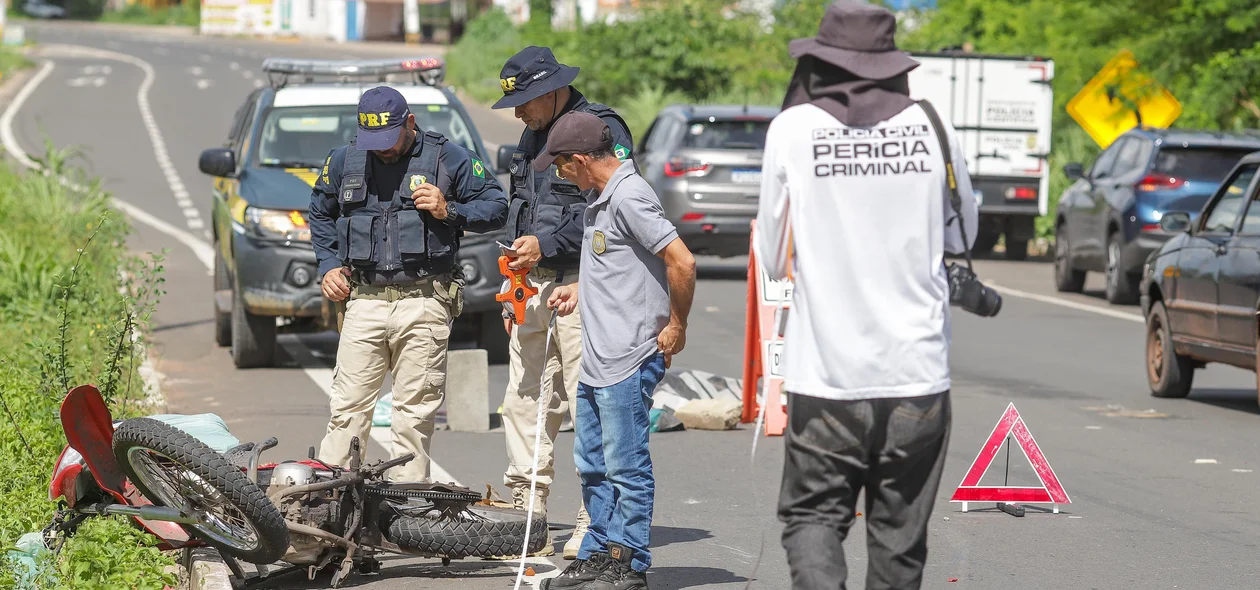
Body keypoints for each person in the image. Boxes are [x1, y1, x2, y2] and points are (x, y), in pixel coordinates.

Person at [753, 2, 979, 589]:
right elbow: (964, 232)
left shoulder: (794, 129)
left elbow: (773, 255)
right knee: (899, 542)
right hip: (919, 378)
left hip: (827, 375)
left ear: (820, 64)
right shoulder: (934, 125)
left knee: (812, 519)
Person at [308, 86, 508, 482]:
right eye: (373, 141)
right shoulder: (344, 160)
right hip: (363, 299)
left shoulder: (448, 158)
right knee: (347, 410)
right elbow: (320, 212)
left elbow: (496, 208)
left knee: (412, 417)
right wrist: (329, 265)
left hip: (425, 300)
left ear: (410, 123)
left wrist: (449, 209)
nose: (381, 150)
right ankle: (330, 506)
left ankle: (406, 510)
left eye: (389, 140)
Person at [489, 45, 636, 559]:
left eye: (526, 100)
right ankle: (528, 515)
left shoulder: (601, 130)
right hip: (531, 289)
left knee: (586, 405)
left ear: (552, 91)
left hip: (583, 285)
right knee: (525, 402)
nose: (518, 112)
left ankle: (591, 520)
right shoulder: (530, 138)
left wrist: (547, 246)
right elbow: (520, 211)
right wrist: (511, 280)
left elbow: (613, 209)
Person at [540, 111, 696, 590]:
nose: (559, 171)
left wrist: (676, 324)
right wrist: (579, 287)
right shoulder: (599, 197)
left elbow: (681, 261)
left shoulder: (629, 196)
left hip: (628, 359)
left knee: (626, 467)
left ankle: (629, 563)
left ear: (583, 159)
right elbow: (620, 263)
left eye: (562, 163)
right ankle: (597, 555)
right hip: (597, 359)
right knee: (591, 465)